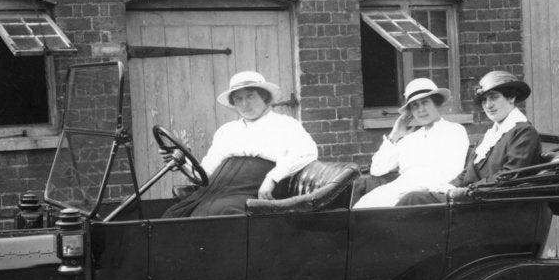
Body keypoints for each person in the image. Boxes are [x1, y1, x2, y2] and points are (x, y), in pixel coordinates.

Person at [162, 71, 318, 218]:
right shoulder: (227, 130)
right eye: (238, 99)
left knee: (216, 213)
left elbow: (307, 152)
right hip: (213, 192)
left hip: (251, 194)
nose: (245, 104)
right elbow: (207, 172)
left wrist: (272, 178)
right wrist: (183, 163)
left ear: (264, 97)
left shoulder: (285, 124)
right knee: (173, 214)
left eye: (250, 96)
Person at [396, 71, 542, 205]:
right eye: (484, 100)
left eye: (494, 97)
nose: (488, 105)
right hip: (475, 199)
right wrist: (446, 187)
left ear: (511, 97)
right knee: (415, 196)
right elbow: (467, 173)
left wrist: (467, 190)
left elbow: (509, 177)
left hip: (495, 205)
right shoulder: (492, 135)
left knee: (413, 199)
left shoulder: (523, 132)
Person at [352, 78, 469, 209]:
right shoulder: (410, 138)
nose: (420, 110)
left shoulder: (454, 131)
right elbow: (377, 169)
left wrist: (416, 192)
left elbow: (452, 172)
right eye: (415, 105)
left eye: (425, 102)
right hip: (397, 190)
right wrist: (395, 134)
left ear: (436, 103)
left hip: (426, 196)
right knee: (362, 207)